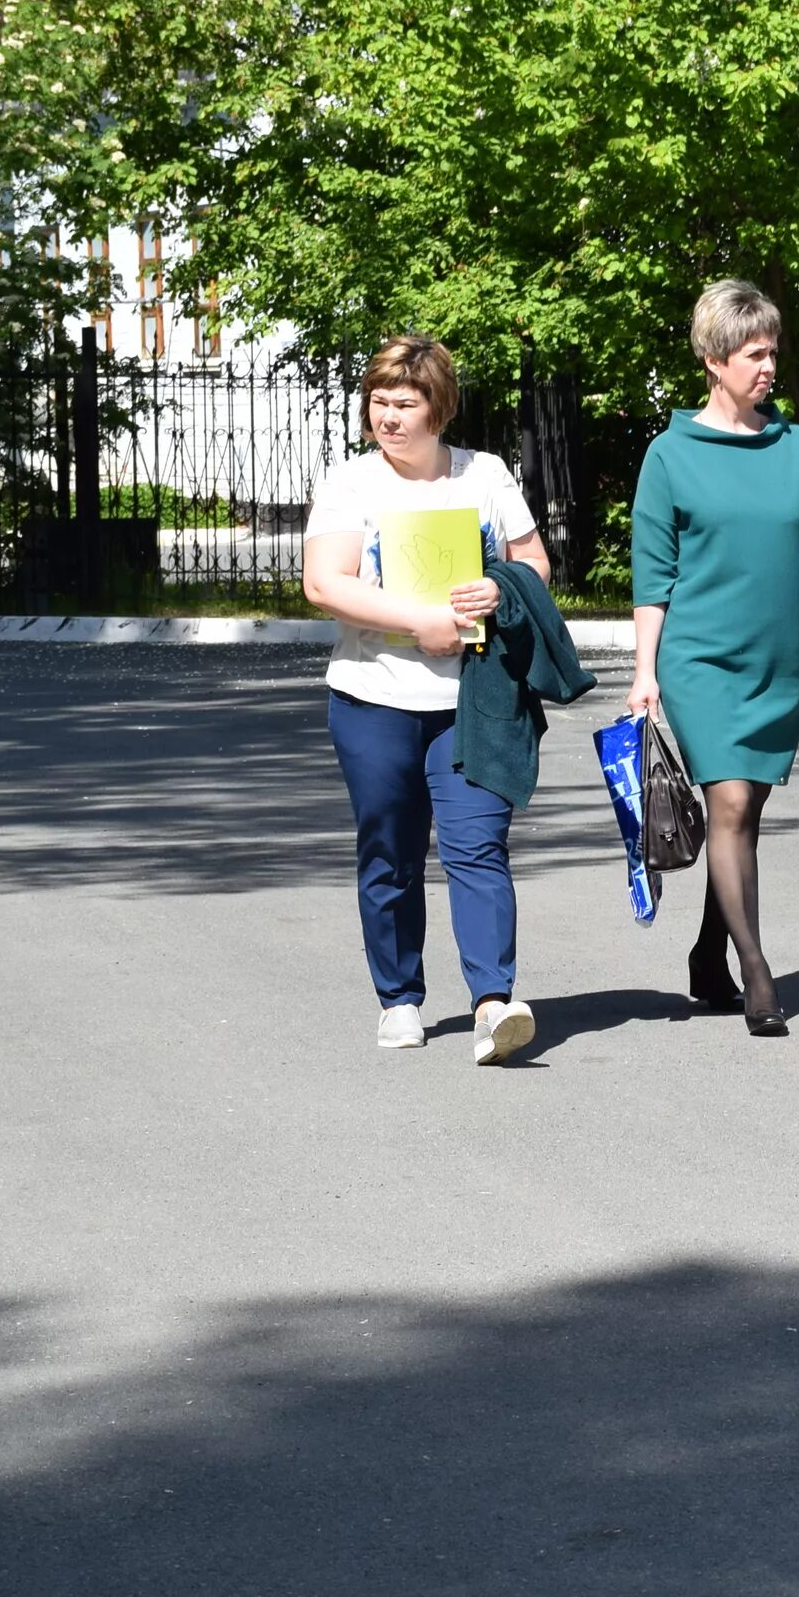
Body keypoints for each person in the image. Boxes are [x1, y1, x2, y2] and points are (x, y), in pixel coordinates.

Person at [626, 280, 799, 1038]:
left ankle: (709, 954)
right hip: (700, 660)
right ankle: (757, 973)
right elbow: (653, 574)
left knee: (742, 812)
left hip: (778, 662)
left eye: (773, 351)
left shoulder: (797, 449)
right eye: (754, 353)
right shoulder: (669, 456)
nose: (769, 366)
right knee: (731, 806)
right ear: (713, 360)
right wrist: (645, 672)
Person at [300, 336, 553, 1065]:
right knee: (391, 850)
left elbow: (533, 561)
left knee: (478, 847)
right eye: (379, 401)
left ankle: (492, 1004)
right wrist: (420, 621)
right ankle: (400, 999)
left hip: (474, 698)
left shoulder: (485, 474)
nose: (388, 416)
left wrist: (498, 586)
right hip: (372, 698)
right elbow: (325, 582)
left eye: (404, 403)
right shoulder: (351, 483)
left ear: (438, 407)